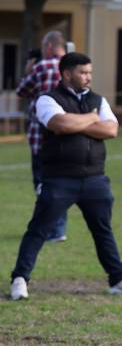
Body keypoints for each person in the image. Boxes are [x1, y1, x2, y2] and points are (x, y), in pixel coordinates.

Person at [9, 52, 122, 301]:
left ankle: (118, 279)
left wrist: (78, 122)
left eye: (90, 73)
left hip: (95, 179)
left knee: (103, 231)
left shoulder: (98, 99)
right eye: (83, 73)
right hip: (58, 179)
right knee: (38, 230)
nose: (88, 77)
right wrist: (92, 118)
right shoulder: (46, 99)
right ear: (66, 74)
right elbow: (59, 124)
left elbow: (111, 129)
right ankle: (20, 279)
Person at [16, 30, 68, 242]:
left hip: (41, 138)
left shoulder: (41, 67)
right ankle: (59, 229)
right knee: (63, 182)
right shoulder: (73, 68)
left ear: (48, 47)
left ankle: (48, 229)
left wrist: (29, 70)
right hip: (67, 136)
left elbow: (22, 91)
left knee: (43, 185)